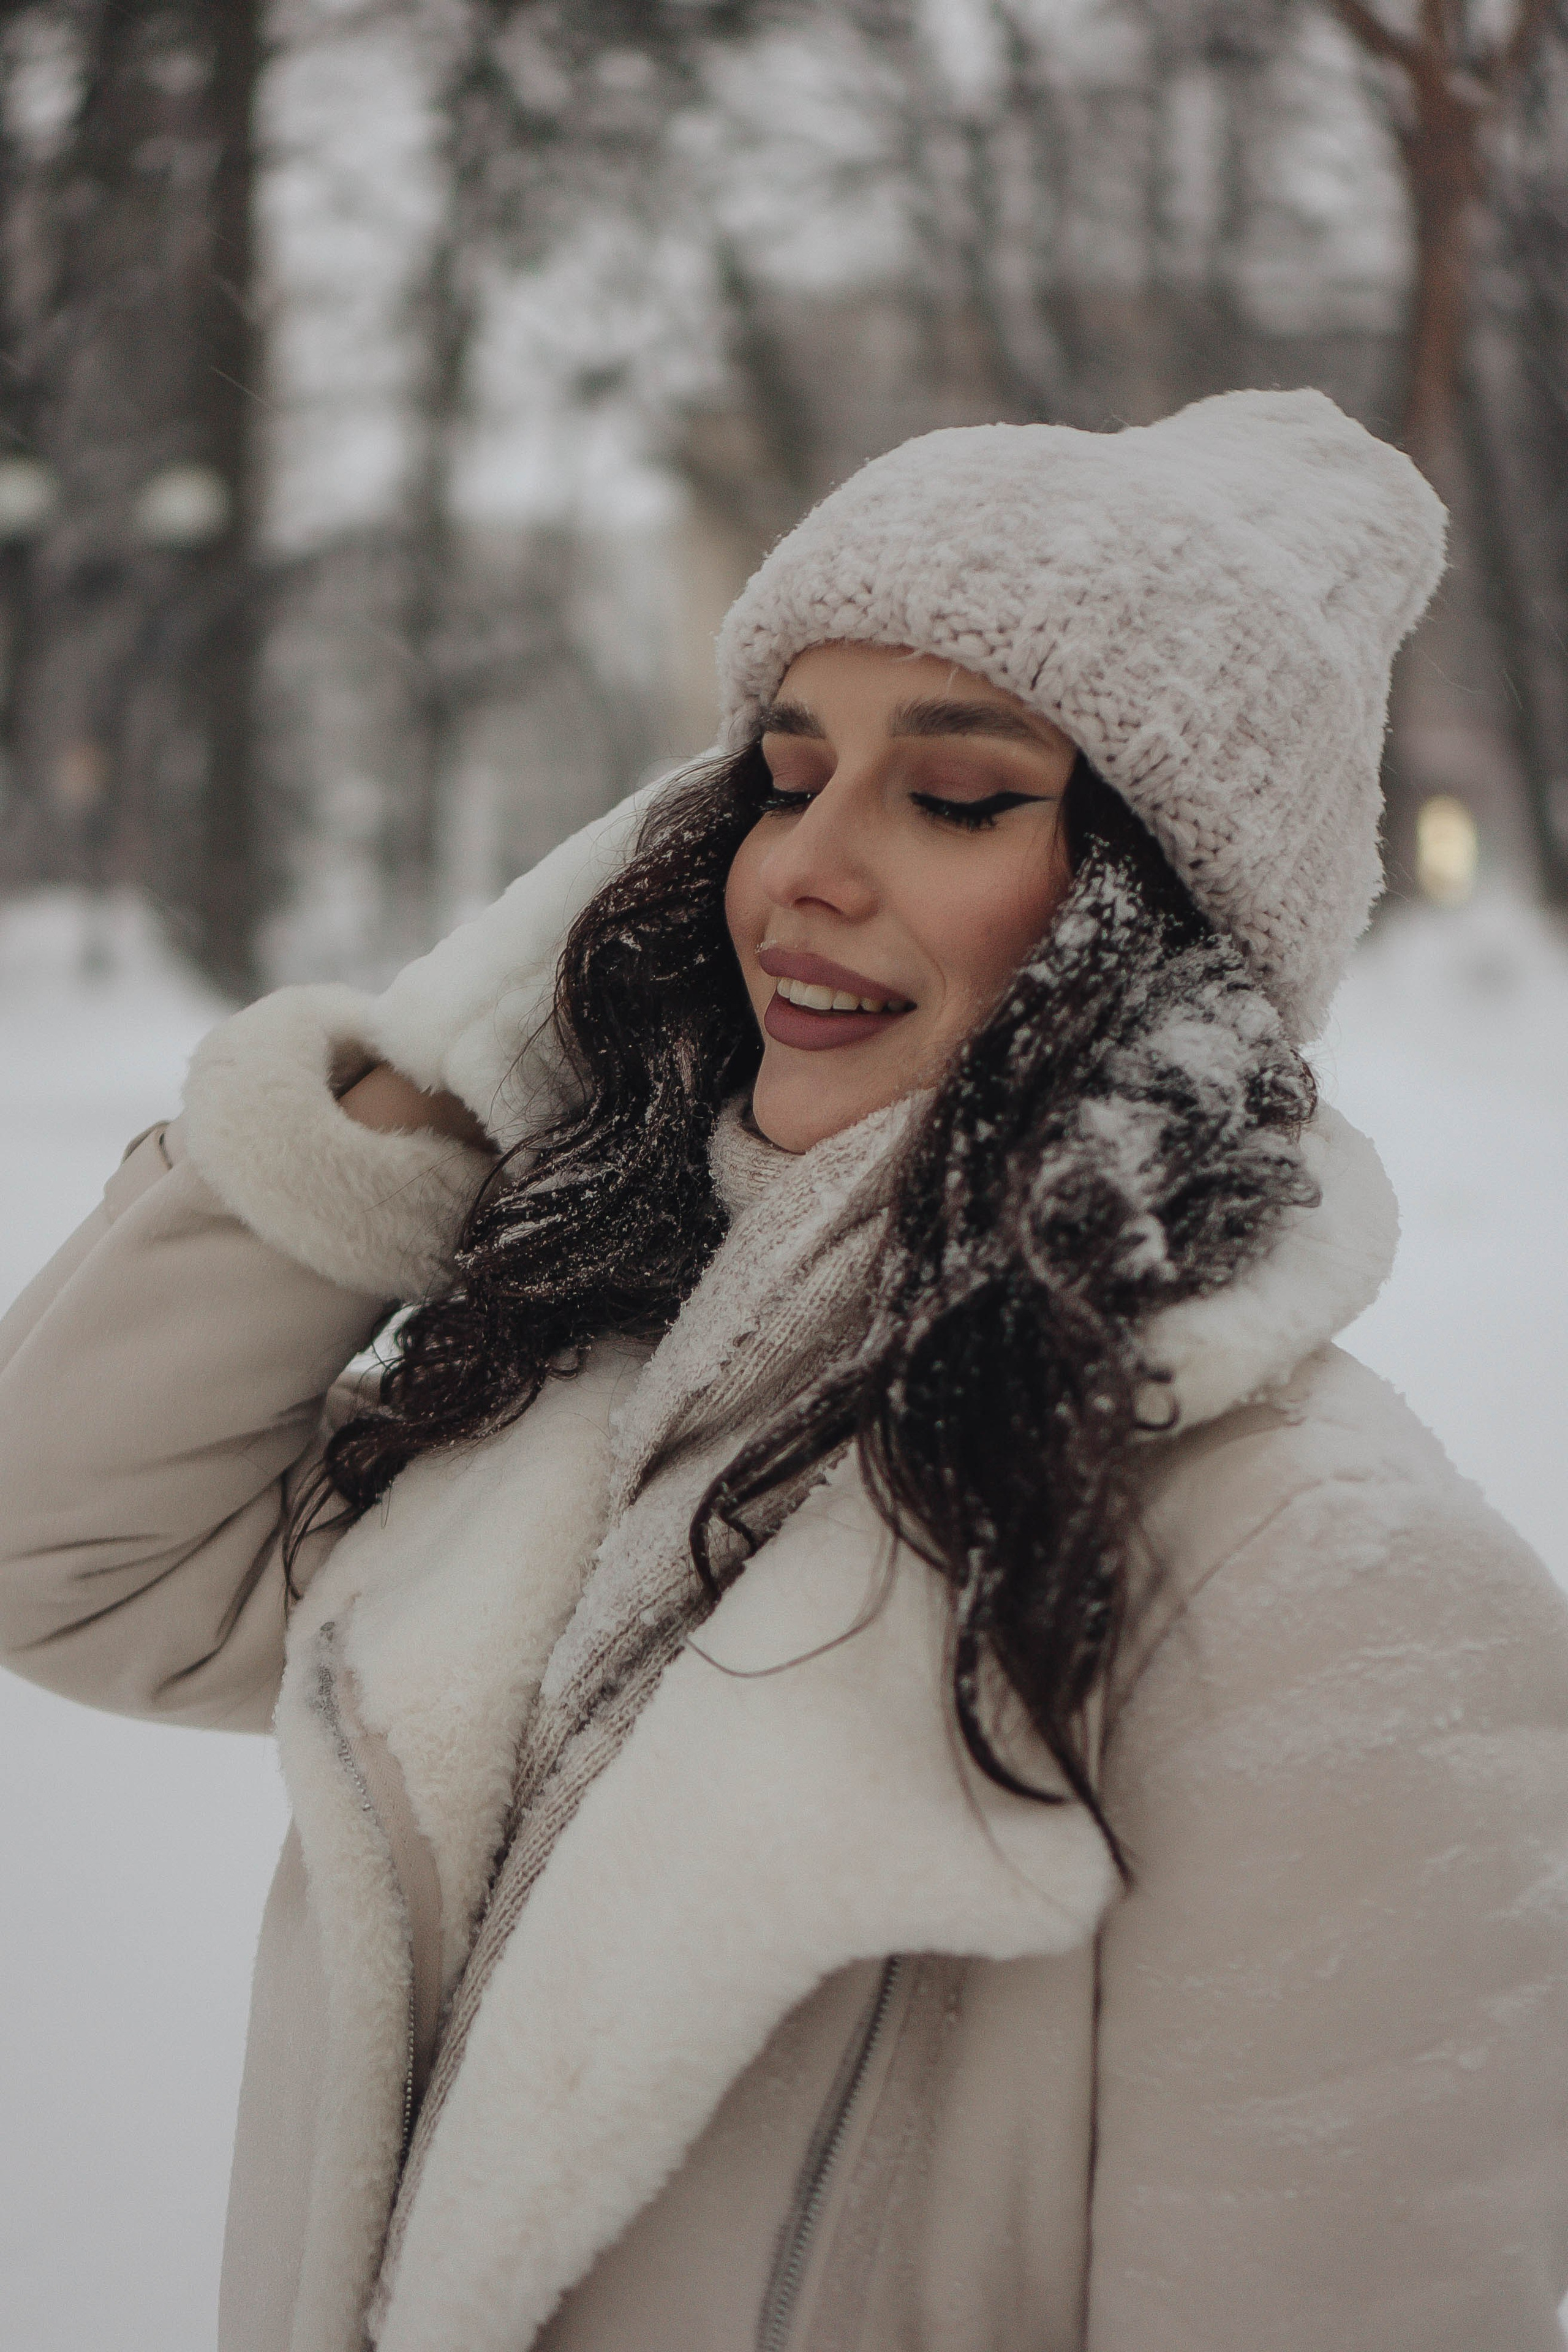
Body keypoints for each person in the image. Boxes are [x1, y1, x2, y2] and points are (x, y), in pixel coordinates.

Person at [0, 388, 1565, 2352]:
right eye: (780, 777)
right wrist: (470, 1034)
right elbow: (66, 1552)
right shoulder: (590, 1399)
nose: (796, 871)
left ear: (1158, 919)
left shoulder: (1317, 1586)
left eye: (959, 795)